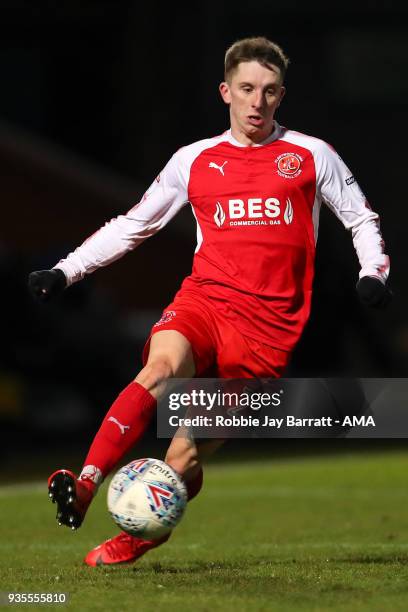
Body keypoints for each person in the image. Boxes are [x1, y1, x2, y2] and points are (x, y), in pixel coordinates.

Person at [28, 36, 391, 566]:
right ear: (225, 91)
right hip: (205, 301)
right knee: (160, 368)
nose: (256, 102)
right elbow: (135, 224)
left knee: (182, 453)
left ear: (281, 95)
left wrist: (373, 273)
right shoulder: (194, 160)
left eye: (268, 92)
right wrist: (65, 271)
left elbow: (361, 218)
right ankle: (83, 484)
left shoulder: (311, 155)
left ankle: (142, 536)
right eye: (246, 89)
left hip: (267, 337)